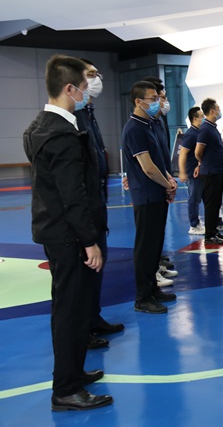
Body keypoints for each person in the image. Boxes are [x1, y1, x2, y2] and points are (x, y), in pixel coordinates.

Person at [24, 54, 113, 411]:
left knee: (71, 307)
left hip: (56, 230)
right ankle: (65, 389)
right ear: (70, 88)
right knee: (70, 311)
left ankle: (74, 372)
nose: (87, 91)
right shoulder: (62, 134)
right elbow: (72, 194)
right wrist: (89, 241)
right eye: (84, 85)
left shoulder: (39, 125)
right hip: (68, 235)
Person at [73, 58, 124, 351]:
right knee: (84, 272)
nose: (96, 79)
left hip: (97, 206)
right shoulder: (74, 117)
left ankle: (94, 318)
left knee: (97, 269)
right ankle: (83, 328)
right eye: (91, 75)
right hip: (84, 209)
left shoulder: (88, 113)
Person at [121, 81, 178, 314]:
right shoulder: (134, 128)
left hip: (157, 194)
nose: (158, 102)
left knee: (155, 245)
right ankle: (143, 297)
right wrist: (167, 185)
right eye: (153, 99)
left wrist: (169, 181)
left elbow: (159, 161)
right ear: (138, 101)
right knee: (145, 248)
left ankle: (153, 288)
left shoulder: (150, 124)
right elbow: (148, 168)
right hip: (146, 196)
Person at [141, 77, 178, 286]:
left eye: (162, 98)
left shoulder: (158, 122)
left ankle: (158, 263)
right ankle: (150, 273)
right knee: (149, 234)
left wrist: (168, 178)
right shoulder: (142, 126)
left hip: (163, 180)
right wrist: (166, 182)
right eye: (158, 98)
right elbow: (147, 162)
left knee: (158, 230)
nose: (163, 102)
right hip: (152, 186)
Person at [195, 98, 223, 245]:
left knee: (216, 203)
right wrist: (204, 163)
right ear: (212, 111)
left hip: (217, 171)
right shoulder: (205, 129)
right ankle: (209, 235)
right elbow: (198, 152)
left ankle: (214, 230)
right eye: (218, 108)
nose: (219, 111)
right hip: (210, 173)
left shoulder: (212, 128)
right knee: (210, 204)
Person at [179, 106, 206, 234]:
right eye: (202, 116)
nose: (204, 118)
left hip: (201, 171)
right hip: (192, 173)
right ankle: (194, 225)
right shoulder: (191, 134)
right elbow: (183, 153)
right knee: (194, 199)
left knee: (205, 197)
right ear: (195, 119)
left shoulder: (200, 132)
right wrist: (182, 172)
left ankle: (215, 221)